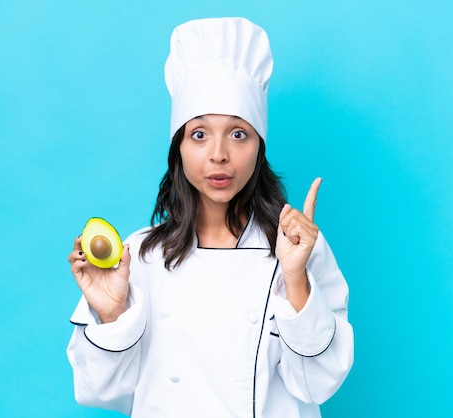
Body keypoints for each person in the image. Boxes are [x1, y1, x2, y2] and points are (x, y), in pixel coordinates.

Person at [66, 17, 353, 418]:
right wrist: (112, 315)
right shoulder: (138, 255)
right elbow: (98, 391)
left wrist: (294, 278)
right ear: (179, 148)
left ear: (259, 147)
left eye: (238, 134)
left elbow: (318, 383)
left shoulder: (297, 247)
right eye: (199, 134)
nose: (219, 154)